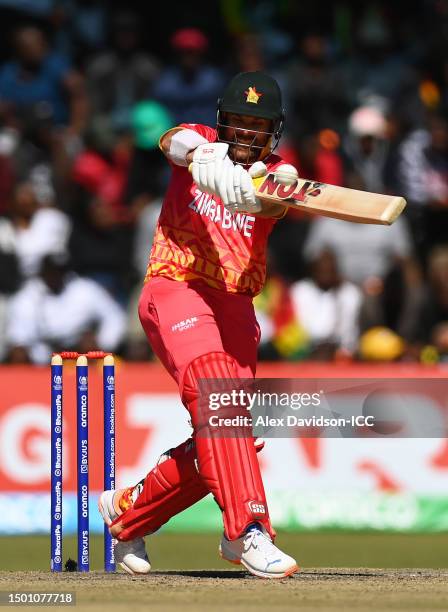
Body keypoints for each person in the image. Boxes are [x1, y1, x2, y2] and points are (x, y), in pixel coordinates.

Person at [98, 71, 299, 579]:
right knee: (218, 393)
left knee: (230, 433)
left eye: (257, 126)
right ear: (222, 121)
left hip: (235, 307)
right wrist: (200, 156)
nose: (246, 135)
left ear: (273, 131)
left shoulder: (279, 173)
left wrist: (264, 195)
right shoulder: (201, 140)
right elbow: (171, 140)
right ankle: (248, 531)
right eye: (237, 123)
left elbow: (274, 202)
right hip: (176, 286)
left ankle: (128, 512)